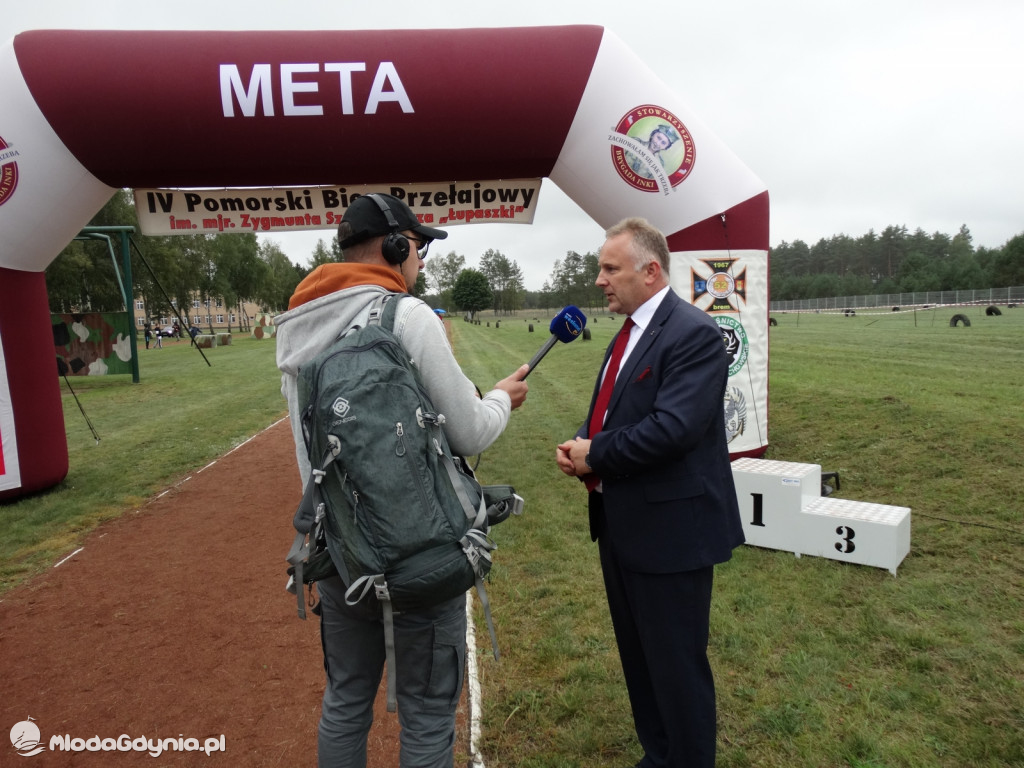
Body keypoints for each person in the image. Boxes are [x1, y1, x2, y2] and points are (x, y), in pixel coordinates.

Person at [275, 193, 529, 768]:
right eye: (418, 247)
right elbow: (470, 433)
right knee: (428, 716)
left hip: (340, 556)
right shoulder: (409, 316)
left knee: (345, 704)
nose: (419, 260)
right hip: (421, 560)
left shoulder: (296, 326)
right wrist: (500, 399)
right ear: (396, 247)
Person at [555, 217, 744, 768]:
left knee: (676, 666)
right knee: (641, 660)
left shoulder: (694, 333)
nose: (599, 280)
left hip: (672, 535)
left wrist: (596, 452)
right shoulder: (629, 331)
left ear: (651, 271)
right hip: (624, 524)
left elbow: (673, 429)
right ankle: (659, 755)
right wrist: (582, 444)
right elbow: (618, 411)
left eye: (610, 269)